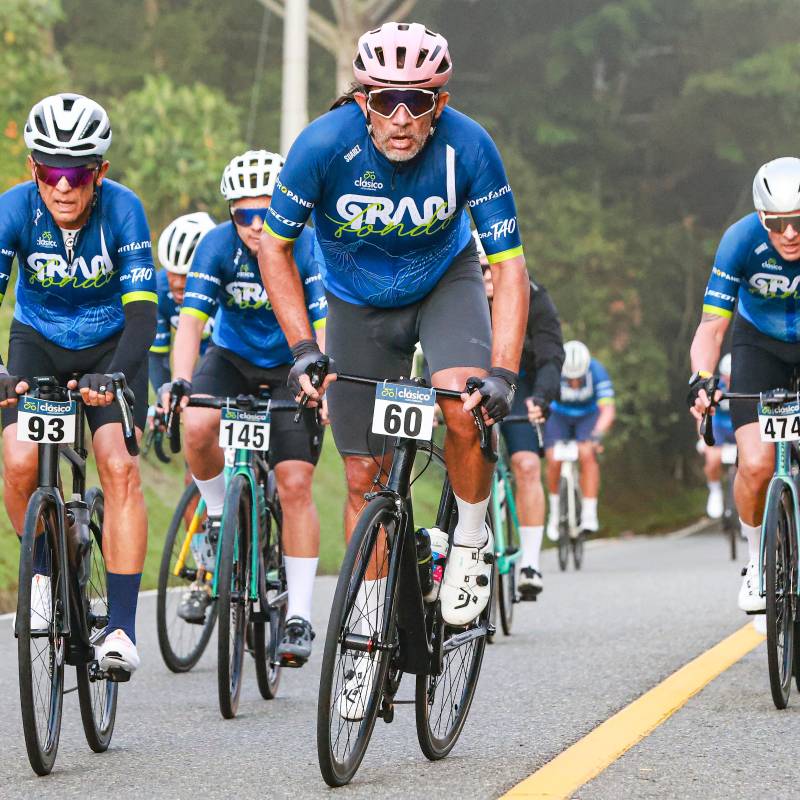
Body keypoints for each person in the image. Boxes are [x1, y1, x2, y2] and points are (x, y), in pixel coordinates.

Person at [259, 20, 529, 658]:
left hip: (446, 285)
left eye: (419, 101)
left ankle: (470, 536)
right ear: (362, 101)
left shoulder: (471, 147)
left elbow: (510, 264)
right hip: (355, 305)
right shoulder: (322, 146)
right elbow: (275, 248)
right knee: (363, 478)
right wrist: (303, 347)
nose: (402, 117)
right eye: (385, 100)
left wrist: (505, 372)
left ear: (441, 103)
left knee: (463, 406)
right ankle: (364, 634)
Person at [0, 93, 157, 675]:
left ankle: (119, 628)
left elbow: (143, 314)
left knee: (117, 464)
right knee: (18, 462)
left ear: (100, 173)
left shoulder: (124, 210)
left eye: (78, 172)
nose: (63, 186)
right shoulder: (13, 211)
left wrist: (114, 372)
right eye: (50, 171)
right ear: (33, 170)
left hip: (111, 347)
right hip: (37, 343)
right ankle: (43, 571)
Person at [164, 150, 326, 667]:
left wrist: (323, 385)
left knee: (296, 483)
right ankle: (217, 517)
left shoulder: (306, 244)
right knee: (197, 422)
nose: (257, 226)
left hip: (292, 362)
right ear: (229, 215)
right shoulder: (216, 246)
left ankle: (298, 614)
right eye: (243, 216)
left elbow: (325, 324)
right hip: (232, 357)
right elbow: (190, 322)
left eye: (266, 212)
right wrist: (182, 382)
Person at [688, 156, 800, 613]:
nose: (789, 233)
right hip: (758, 346)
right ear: (761, 218)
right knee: (754, 463)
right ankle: (756, 562)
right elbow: (712, 326)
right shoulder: (739, 241)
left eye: (797, 221)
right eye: (778, 224)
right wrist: (702, 378)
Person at [477, 232, 564, 598]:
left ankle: (530, 562)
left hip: (522, 383)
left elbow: (551, 354)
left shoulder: (534, 296)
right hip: (474, 383)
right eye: (479, 270)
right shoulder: (459, 298)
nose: (486, 278)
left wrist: (541, 399)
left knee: (527, 465)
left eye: (492, 269)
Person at [544, 341, 615, 539]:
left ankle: (590, 514)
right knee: (553, 459)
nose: (574, 383)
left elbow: (607, 409)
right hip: (558, 415)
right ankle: (555, 513)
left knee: (587, 453)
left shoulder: (597, 371)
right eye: (570, 378)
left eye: (579, 378)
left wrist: (598, 433)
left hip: (587, 416)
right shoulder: (554, 370)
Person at [149, 212, 216, 395]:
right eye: (172, 272)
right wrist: (164, 406)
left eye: (187, 274)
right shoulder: (158, 289)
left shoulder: (226, 286)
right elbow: (157, 356)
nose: (178, 283)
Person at [699, 353, 735, 519]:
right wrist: (702, 437)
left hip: (739, 427)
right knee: (712, 459)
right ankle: (714, 489)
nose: (729, 382)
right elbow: (702, 412)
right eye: (727, 378)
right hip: (719, 427)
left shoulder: (750, 383)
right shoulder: (716, 386)